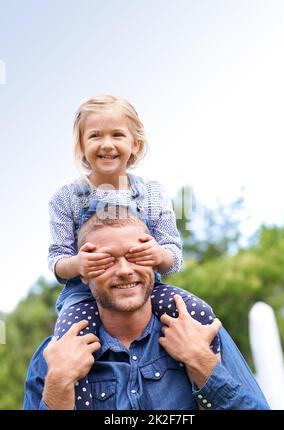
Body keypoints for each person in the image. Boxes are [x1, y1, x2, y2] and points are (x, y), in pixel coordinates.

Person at [48, 94, 220, 408]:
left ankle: (207, 391)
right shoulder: (66, 198)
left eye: (117, 134)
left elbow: (172, 256)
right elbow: (57, 260)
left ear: (135, 144)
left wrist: (159, 255)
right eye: (95, 135)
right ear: (82, 146)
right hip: (86, 293)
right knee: (69, 341)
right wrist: (78, 264)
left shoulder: (152, 193)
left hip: (143, 289)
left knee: (195, 310)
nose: (106, 143)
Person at [24, 213, 269, 410]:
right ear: (84, 274)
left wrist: (203, 364)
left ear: (154, 263)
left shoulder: (200, 332)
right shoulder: (53, 357)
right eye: (106, 260)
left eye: (136, 256)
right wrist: (57, 385)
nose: (123, 270)